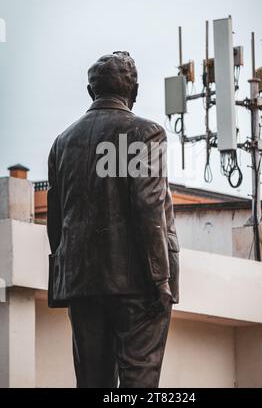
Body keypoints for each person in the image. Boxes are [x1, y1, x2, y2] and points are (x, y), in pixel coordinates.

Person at [47, 51, 180, 388]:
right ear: (133, 90)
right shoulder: (145, 133)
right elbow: (149, 208)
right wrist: (161, 278)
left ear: (92, 92)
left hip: (81, 284)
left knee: (92, 382)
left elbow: (56, 221)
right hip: (137, 284)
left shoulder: (62, 143)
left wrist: (65, 275)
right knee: (139, 381)